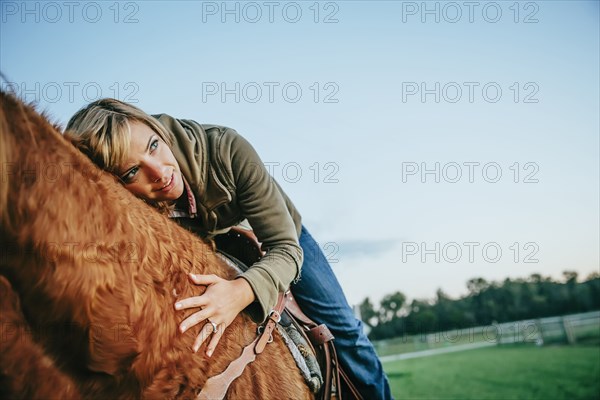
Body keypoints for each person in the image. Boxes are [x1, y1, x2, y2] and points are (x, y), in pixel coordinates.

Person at [65, 99, 393, 400]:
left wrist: (240, 291)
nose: (159, 172)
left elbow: (285, 248)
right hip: (205, 247)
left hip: (278, 239)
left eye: (153, 145)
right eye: (132, 171)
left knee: (348, 332)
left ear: (157, 129)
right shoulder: (132, 213)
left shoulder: (226, 147)